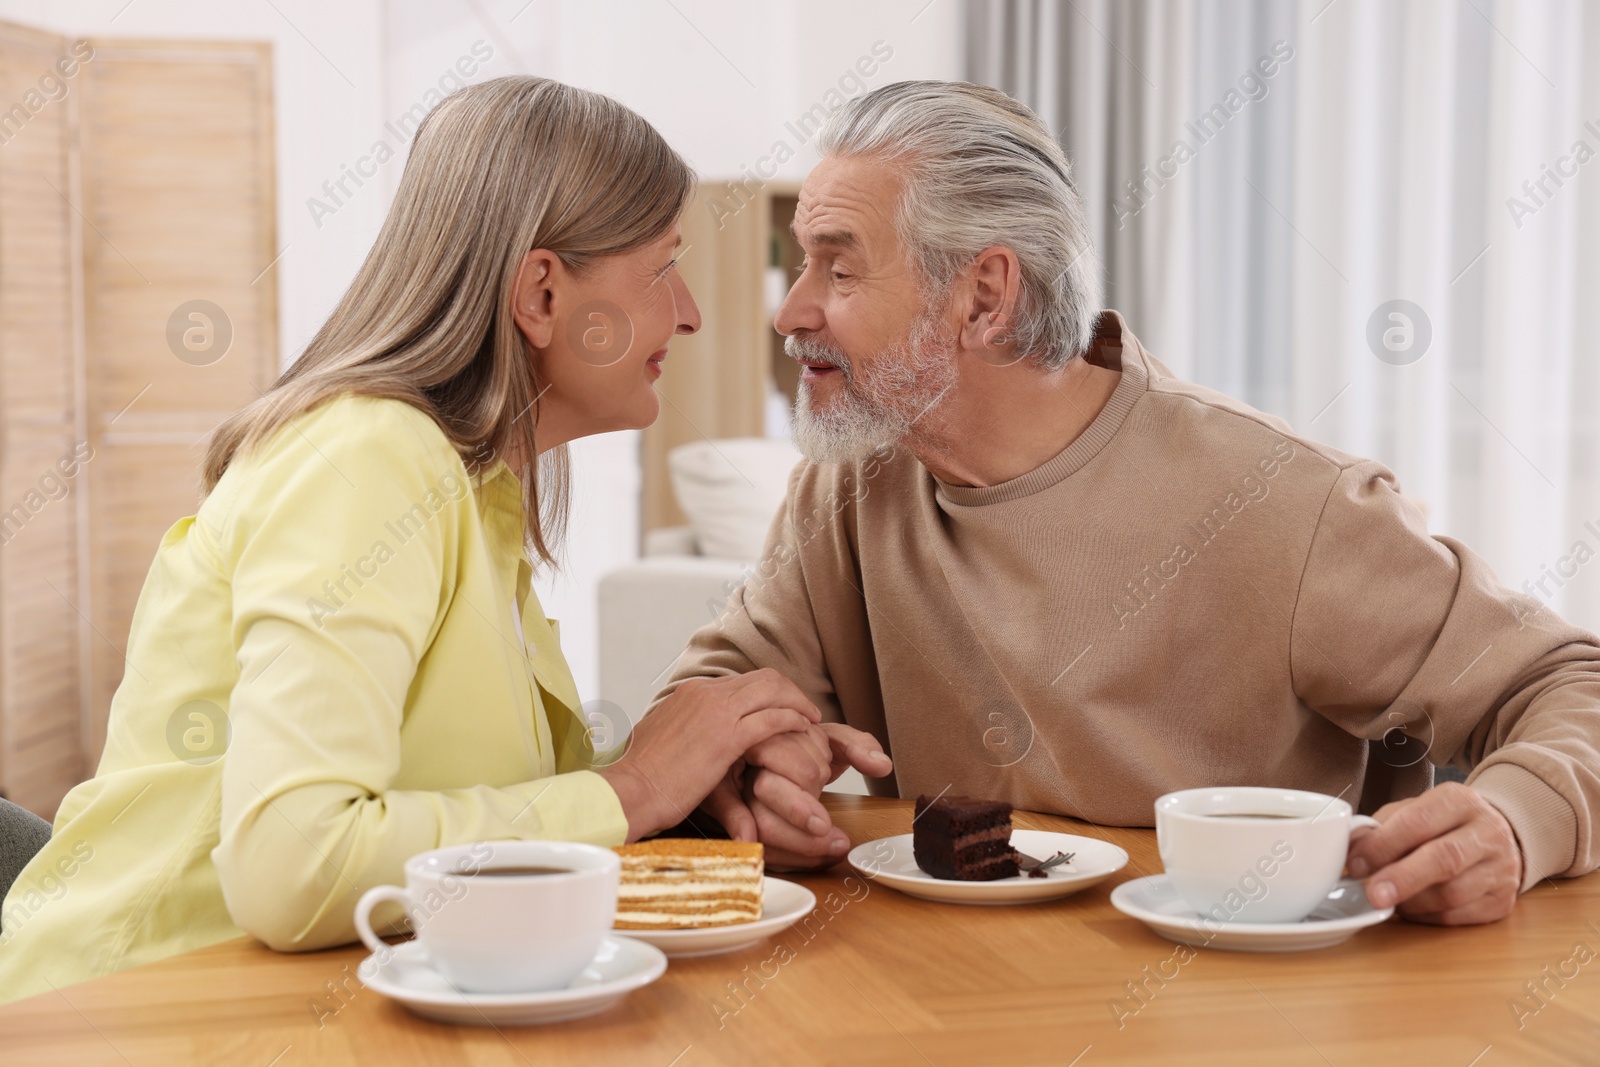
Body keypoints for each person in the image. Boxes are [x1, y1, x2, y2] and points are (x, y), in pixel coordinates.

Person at [0, 75, 887, 1004]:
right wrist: (629, 789)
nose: (693, 311)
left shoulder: (474, 493)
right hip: (131, 1017)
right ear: (542, 293)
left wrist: (705, 781)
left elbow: (480, 810)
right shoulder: (367, 459)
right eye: (664, 267)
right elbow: (290, 864)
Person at [662, 80, 1600, 925]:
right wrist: (752, 774)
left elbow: (1568, 683)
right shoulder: (852, 479)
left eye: (838, 266)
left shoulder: (1283, 505)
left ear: (983, 297)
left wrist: (1517, 823)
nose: (790, 313)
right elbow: (712, 697)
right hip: (935, 1002)